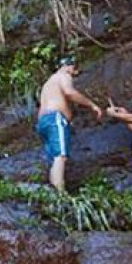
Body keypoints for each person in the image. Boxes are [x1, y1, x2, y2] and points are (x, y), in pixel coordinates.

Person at [36, 56, 103, 192]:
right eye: (74, 68)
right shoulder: (64, 75)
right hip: (55, 119)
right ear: (68, 66)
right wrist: (92, 105)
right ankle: (60, 194)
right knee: (61, 156)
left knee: (54, 159)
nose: (74, 72)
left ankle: (53, 192)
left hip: (43, 121)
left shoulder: (49, 82)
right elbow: (69, 92)